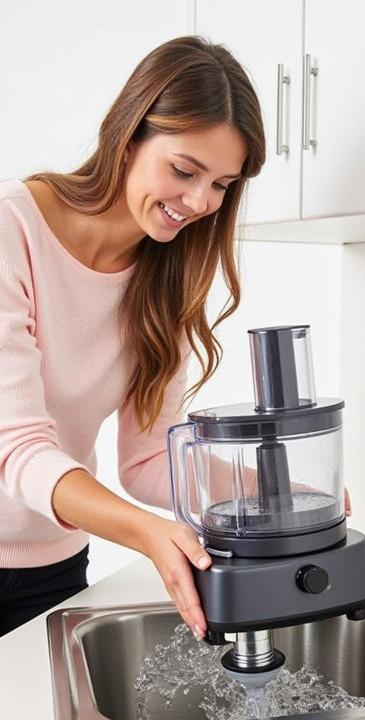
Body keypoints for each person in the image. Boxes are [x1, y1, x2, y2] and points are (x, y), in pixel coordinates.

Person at [0, 36, 265, 638]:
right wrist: (147, 534)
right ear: (128, 135)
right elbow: (15, 449)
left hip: (54, 565)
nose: (201, 202)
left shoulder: (165, 276)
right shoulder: (11, 228)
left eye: (223, 185)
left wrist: (276, 494)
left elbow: (147, 461)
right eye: (184, 170)